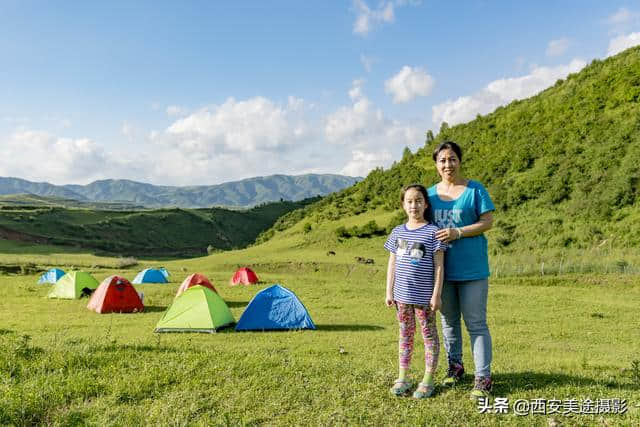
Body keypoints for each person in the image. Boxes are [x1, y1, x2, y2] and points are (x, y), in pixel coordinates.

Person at [427, 141, 495, 400]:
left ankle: (483, 378)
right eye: (442, 160)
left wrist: (458, 232)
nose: (448, 164)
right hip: (441, 271)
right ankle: (455, 368)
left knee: (476, 323)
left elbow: (487, 222)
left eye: (452, 159)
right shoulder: (430, 195)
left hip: (473, 269)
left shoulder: (475, 189)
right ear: (436, 164)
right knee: (448, 322)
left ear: (460, 161)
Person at [384, 184, 447, 398]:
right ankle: (403, 377)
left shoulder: (434, 232)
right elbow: (392, 263)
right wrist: (388, 291)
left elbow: (439, 266)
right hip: (401, 298)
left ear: (426, 204)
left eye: (418, 200)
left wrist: (436, 294)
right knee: (405, 336)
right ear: (403, 205)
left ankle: (428, 380)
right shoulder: (397, 232)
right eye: (409, 201)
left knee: (429, 336)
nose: (414, 205)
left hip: (424, 299)